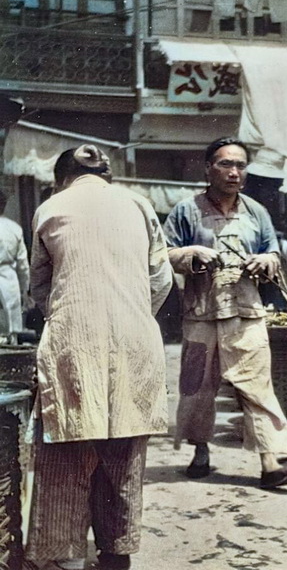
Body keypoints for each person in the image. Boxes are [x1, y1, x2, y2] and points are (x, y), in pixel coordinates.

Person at [27, 145, 173, 570]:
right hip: (135, 340)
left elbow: (41, 286)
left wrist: (69, 315)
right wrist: (132, 315)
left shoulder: (51, 207)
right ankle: (117, 551)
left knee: (67, 449)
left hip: (74, 340)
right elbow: (160, 278)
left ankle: (66, 557)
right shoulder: (139, 203)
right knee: (124, 451)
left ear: (62, 177)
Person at [163, 137, 287, 489]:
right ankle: (200, 451)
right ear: (208, 168)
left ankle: (270, 463)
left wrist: (266, 260)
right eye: (226, 164)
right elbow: (163, 254)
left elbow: (273, 251)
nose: (234, 172)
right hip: (200, 313)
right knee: (197, 387)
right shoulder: (185, 211)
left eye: (240, 165)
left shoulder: (256, 211)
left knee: (257, 386)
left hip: (246, 311)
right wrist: (192, 253)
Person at [0, 188, 29, 334]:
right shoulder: (14, 228)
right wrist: (25, 289)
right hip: (8, 277)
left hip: (7, 272)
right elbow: (23, 264)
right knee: (12, 324)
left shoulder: (14, 228)